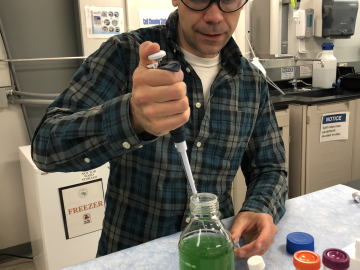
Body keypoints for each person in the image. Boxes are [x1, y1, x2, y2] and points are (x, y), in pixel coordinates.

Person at [31, 0, 288, 259]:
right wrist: (130, 118)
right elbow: (45, 148)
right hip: (131, 257)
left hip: (211, 251)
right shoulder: (124, 54)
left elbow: (270, 168)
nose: (214, 16)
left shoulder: (252, 82)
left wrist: (260, 207)